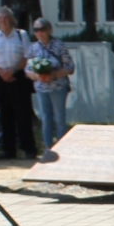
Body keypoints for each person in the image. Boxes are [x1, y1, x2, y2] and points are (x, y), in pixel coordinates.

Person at [0, 6, 37, 159]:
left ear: (11, 20)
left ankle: (29, 149)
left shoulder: (21, 35)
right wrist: (2, 72)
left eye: (5, 18)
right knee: (5, 115)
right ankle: (9, 150)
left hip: (18, 78)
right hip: (0, 79)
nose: (3, 21)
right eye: (0, 18)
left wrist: (12, 70)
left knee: (23, 115)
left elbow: (27, 57)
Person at [26, 18, 75, 154]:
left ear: (48, 30)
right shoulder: (33, 48)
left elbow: (70, 67)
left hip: (58, 87)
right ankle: (48, 148)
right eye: (36, 30)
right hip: (41, 88)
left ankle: (61, 148)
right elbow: (27, 70)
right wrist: (37, 76)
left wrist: (54, 75)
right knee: (46, 118)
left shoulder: (59, 45)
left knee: (59, 118)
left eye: (42, 29)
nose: (39, 33)